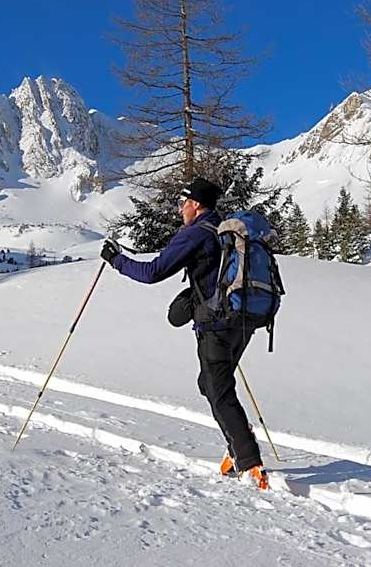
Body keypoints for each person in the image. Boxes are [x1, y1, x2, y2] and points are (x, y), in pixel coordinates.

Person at [100, 177, 268, 490]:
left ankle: (250, 462)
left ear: (195, 204)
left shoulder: (195, 234)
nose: (180, 209)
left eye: (183, 202)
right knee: (211, 384)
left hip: (216, 324)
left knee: (218, 390)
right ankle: (237, 443)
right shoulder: (223, 230)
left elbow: (151, 273)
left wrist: (115, 260)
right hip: (244, 319)